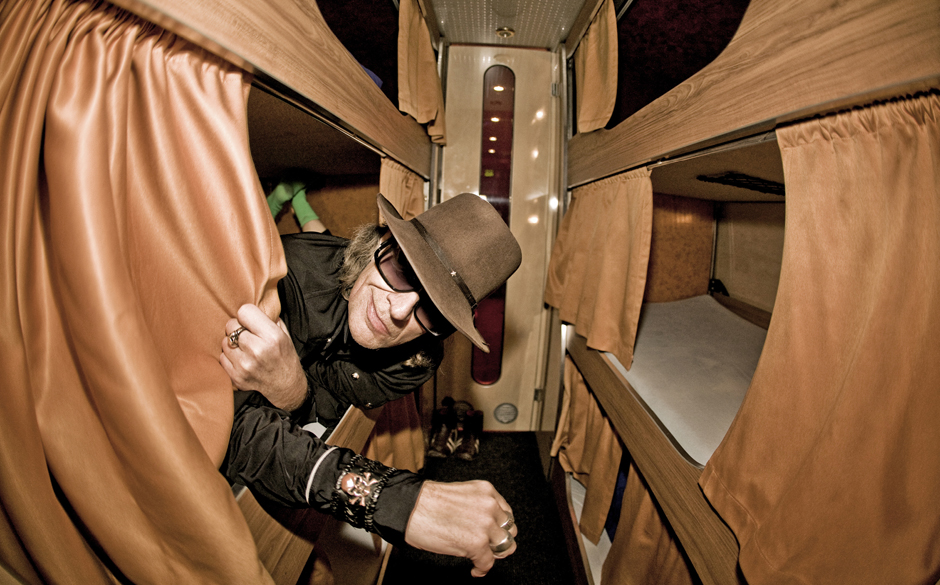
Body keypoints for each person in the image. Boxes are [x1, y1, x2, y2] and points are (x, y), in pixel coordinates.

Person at [219, 193, 523, 577]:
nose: (398, 311)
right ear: (383, 242)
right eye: (402, 272)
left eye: (433, 311)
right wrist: (399, 501)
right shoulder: (284, 278)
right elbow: (234, 434)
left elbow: (329, 409)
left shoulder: (416, 360)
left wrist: (294, 392)